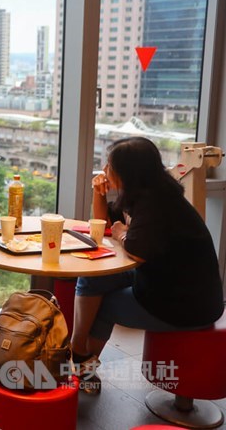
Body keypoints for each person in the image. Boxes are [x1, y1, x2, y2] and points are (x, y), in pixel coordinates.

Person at [72, 137, 224, 394]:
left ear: (127, 171)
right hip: (172, 286)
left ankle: (79, 359)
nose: (105, 170)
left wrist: (121, 233)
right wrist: (97, 192)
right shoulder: (149, 193)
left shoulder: (156, 205)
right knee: (94, 276)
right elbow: (102, 225)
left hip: (184, 306)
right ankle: (79, 354)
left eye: (109, 165)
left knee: (105, 304)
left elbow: (134, 249)